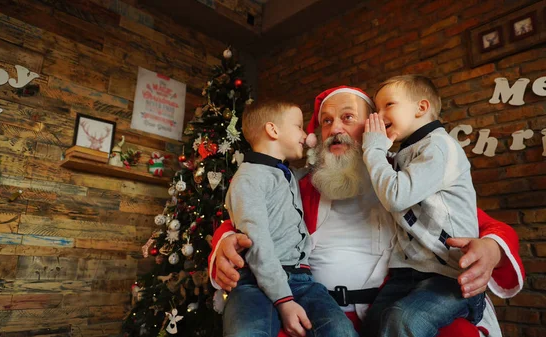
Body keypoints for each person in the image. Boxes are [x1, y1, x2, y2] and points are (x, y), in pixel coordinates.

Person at [210, 86, 525, 337]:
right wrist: (224, 240)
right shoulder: (300, 185)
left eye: (348, 117)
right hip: (317, 314)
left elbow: (481, 225)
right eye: (327, 121)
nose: (336, 129)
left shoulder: (405, 178)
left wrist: (492, 248)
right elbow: (249, 214)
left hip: (393, 313)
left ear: (373, 126)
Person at [361, 75, 484, 337]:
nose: (379, 116)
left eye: (388, 105)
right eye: (376, 110)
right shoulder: (407, 151)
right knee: (372, 324)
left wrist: (373, 150)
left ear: (421, 107)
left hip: (451, 275)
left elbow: (395, 195)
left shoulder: (438, 146)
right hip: (407, 274)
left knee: (403, 320)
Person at [222, 100, 357, 337]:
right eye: (299, 127)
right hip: (255, 279)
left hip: (301, 278)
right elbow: (258, 242)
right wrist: (284, 300)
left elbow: (318, 171)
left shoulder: (286, 174)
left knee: (340, 330)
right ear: (273, 130)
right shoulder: (249, 178)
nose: (305, 136)